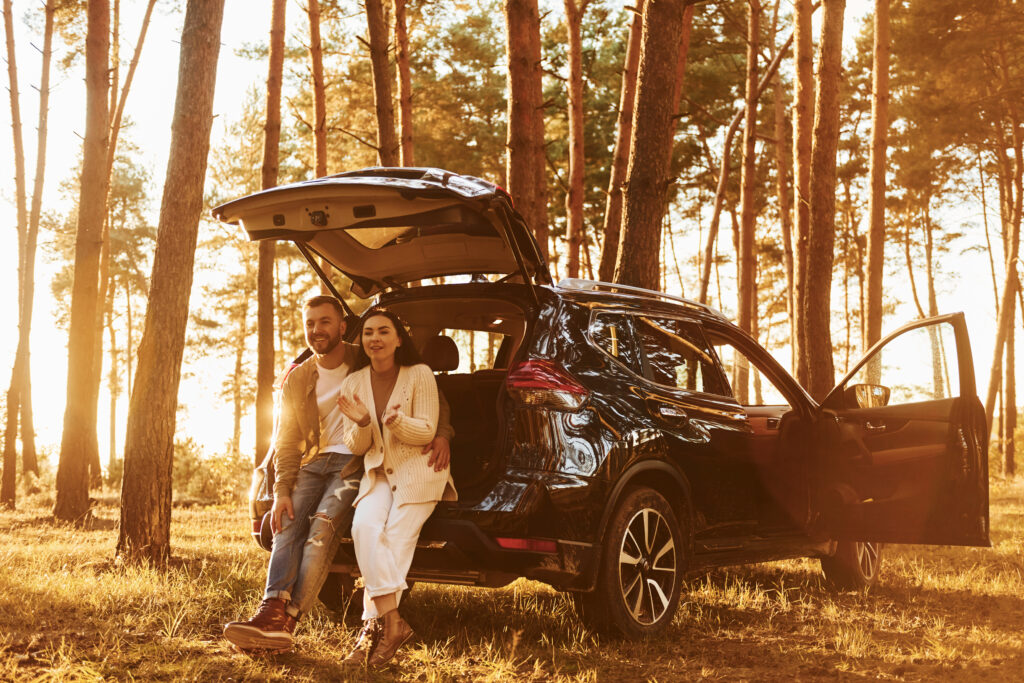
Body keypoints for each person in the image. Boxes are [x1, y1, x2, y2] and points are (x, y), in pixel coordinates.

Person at [223, 295, 453, 652]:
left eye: (325, 322)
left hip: (357, 462)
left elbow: (428, 392)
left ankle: (289, 619)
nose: (317, 330)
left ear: (343, 326)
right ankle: (271, 611)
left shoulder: (364, 353)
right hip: (313, 463)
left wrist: (442, 433)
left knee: (321, 530)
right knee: (286, 523)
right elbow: (287, 438)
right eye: (310, 324)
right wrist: (283, 489)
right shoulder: (298, 377)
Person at [336, 307, 457, 668]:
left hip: (421, 470)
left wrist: (398, 422)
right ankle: (393, 622)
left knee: (395, 539)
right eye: (369, 332)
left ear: (399, 339)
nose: (375, 338)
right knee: (364, 528)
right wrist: (361, 423)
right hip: (379, 473)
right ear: (361, 340)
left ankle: (368, 632)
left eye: (384, 331)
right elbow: (357, 446)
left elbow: (426, 429)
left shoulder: (420, 374)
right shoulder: (353, 383)